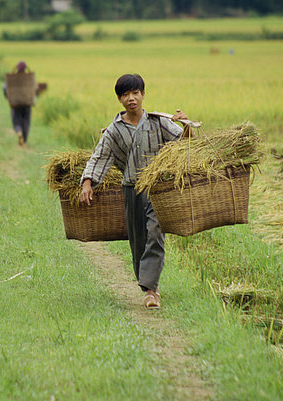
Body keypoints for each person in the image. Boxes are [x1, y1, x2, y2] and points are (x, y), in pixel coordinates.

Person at [79, 73, 188, 310]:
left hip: (158, 190)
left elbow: (183, 145)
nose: (131, 98)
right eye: (126, 94)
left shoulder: (159, 121)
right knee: (138, 240)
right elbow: (100, 157)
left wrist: (185, 125)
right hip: (131, 189)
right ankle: (146, 282)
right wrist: (87, 183)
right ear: (119, 99)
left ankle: (152, 290)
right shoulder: (114, 130)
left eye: (135, 93)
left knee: (155, 232)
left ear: (143, 94)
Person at [4, 61, 33, 147]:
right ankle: (24, 141)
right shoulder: (29, 77)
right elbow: (34, 89)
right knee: (26, 122)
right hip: (27, 104)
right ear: (25, 68)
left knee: (16, 121)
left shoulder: (12, 78)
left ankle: (19, 132)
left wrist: (8, 98)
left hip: (15, 103)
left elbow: (5, 89)